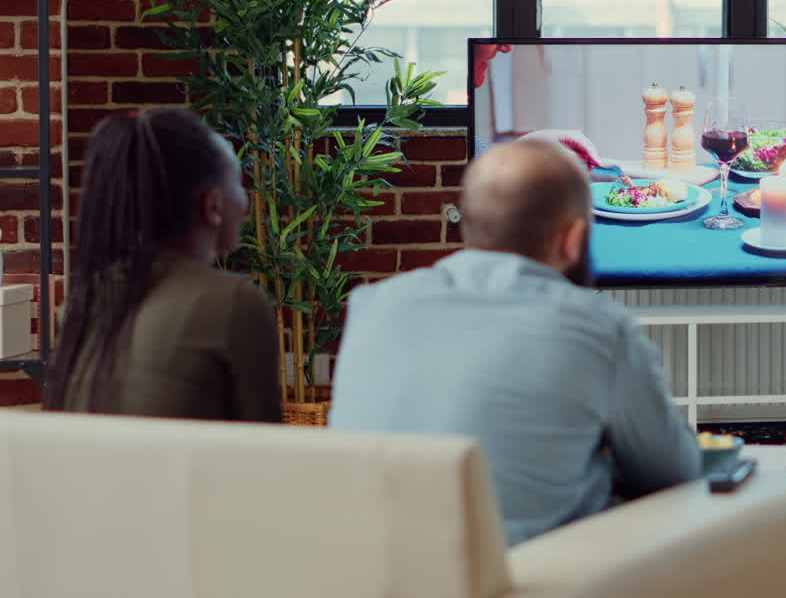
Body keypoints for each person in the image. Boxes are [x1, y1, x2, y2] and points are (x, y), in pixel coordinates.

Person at [328, 139, 701, 546]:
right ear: (573, 238)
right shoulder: (597, 327)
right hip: (537, 575)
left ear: (467, 224)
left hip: (375, 570)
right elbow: (672, 471)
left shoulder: (371, 306)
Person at [42, 108, 281, 421]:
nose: (246, 200)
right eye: (239, 183)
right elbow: (265, 455)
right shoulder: (235, 303)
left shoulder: (80, 303)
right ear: (213, 206)